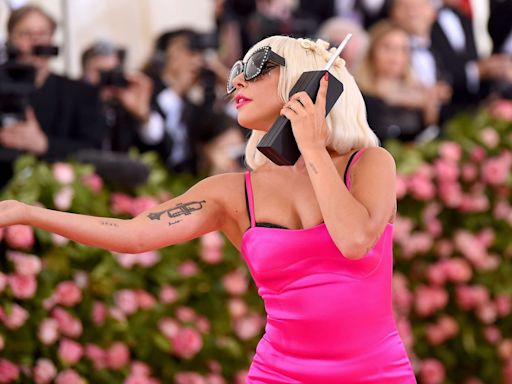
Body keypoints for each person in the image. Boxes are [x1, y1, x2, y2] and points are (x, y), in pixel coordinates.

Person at [0, 35, 416, 382]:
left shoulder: (370, 164)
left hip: (375, 373)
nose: (235, 84)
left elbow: (355, 240)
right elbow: (133, 234)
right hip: (278, 374)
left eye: (254, 68)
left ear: (306, 82)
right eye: (236, 73)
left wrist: (311, 147)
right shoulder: (233, 192)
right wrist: (24, 212)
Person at [0, 5, 103, 188]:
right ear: (11, 40)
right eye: (26, 34)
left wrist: (45, 145)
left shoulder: (79, 93)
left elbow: (94, 149)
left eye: (42, 34)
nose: (36, 42)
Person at [357, 20, 448, 142]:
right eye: (387, 48)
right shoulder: (359, 93)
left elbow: (430, 134)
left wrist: (429, 108)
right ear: (372, 52)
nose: (395, 56)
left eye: (403, 49)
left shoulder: (419, 93)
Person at [81, 40, 153, 153]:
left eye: (112, 72)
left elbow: (155, 142)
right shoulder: (72, 103)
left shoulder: (123, 108)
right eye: (102, 73)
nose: (108, 79)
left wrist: (142, 115)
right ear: (84, 73)